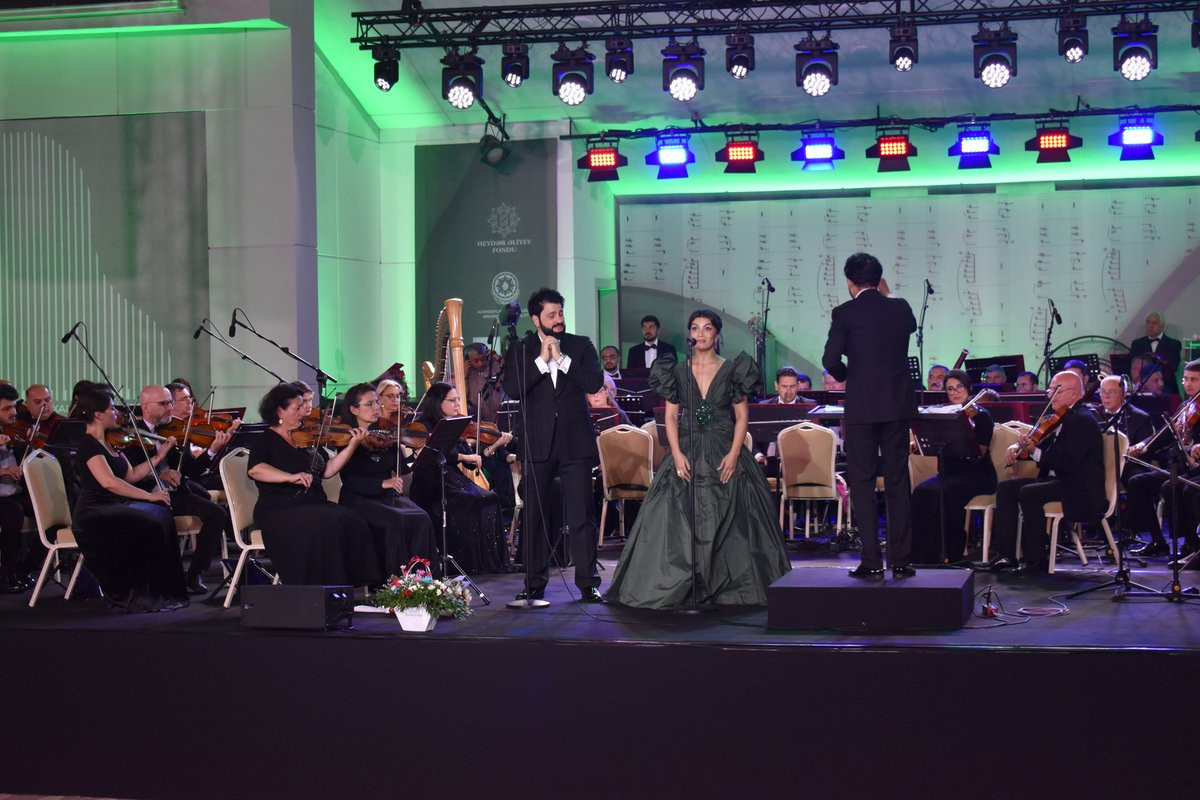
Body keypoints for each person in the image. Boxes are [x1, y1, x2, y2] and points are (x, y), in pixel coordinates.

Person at [607, 309, 791, 608]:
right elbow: (670, 416)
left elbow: (742, 416)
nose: (701, 333)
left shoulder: (733, 369)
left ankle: (729, 581)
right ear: (690, 334)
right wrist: (677, 454)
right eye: (695, 328)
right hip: (688, 447)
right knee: (677, 513)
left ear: (717, 334)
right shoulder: (677, 371)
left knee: (735, 515)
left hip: (723, 446)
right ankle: (681, 581)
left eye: (707, 328)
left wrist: (734, 454)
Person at [502, 287, 605, 603]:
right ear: (536, 319)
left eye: (560, 313)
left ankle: (588, 583)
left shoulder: (580, 345)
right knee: (535, 516)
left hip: (575, 442)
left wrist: (562, 359)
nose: (558, 319)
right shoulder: (521, 349)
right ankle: (534, 583)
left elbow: (594, 382)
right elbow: (513, 388)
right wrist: (542, 361)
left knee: (581, 515)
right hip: (538, 442)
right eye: (551, 315)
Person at [822, 252, 918, 578]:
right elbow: (910, 325)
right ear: (879, 280)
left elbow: (830, 360)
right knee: (897, 481)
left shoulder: (845, 312)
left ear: (850, 283)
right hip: (896, 406)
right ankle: (901, 560)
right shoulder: (900, 308)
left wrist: (850, 374)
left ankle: (871, 561)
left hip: (862, 407)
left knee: (862, 483)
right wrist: (885, 294)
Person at [69, 384, 189, 612]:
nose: (117, 413)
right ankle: (143, 593)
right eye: (112, 409)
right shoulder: (88, 444)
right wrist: (149, 496)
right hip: (94, 510)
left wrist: (159, 456)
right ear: (98, 414)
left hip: (112, 504)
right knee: (151, 519)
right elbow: (109, 482)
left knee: (162, 514)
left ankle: (164, 591)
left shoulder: (109, 441)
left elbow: (130, 475)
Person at [247, 383, 380, 587]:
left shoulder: (307, 438)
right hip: (279, 508)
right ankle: (321, 589)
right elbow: (256, 469)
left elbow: (327, 470)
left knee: (353, 520)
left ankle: (351, 586)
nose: (304, 411)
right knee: (324, 524)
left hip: (314, 503)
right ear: (280, 411)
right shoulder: (265, 440)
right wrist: (290, 477)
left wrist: (352, 445)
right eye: (298, 407)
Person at [989, 371, 1105, 574]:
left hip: (1077, 486)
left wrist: (1034, 451)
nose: (1051, 395)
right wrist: (1020, 447)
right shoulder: (1062, 417)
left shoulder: (1082, 420)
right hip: (1060, 480)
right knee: (1006, 488)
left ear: (1073, 394)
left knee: (1029, 492)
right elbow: (1041, 445)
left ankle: (1036, 560)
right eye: (1051, 390)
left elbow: (1067, 462)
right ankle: (1006, 554)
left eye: (1056, 390)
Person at [124, 385, 231, 595]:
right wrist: (159, 473)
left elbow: (193, 469)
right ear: (145, 407)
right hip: (147, 495)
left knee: (217, 513)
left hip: (174, 492)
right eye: (163, 404)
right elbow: (129, 474)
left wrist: (212, 450)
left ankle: (194, 573)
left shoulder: (174, 430)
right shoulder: (130, 434)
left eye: (170, 403)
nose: (170, 408)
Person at [408, 381, 509, 575]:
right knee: (471, 499)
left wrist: (474, 457)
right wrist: (463, 457)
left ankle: (489, 562)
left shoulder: (456, 423)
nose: (457, 404)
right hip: (431, 481)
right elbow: (433, 455)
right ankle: (467, 562)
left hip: (452, 477)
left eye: (458, 399)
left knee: (490, 497)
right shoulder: (424, 425)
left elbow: (466, 460)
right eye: (452, 400)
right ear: (438, 402)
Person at [338, 383, 437, 576]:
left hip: (387, 497)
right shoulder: (346, 437)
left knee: (422, 517)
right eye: (369, 404)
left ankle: (421, 579)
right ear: (354, 409)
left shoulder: (386, 432)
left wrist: (418, 455)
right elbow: (349, 480)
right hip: (360, 498)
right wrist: (382, 483)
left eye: (376, 402)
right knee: (396, 520)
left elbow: (402, 467)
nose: (376, 407)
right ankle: (396, 582)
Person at [910, 370, 996, 564]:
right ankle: (923, 556)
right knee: (921, 492)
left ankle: (951, 554)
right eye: (950, 389)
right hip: (949, 474)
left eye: (959, 388)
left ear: (968, 388)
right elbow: (935, 444)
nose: (955, 393)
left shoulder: (981, 416)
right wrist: (923, 443)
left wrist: (963, 435)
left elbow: (978, 454)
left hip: (977, 475)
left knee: (945, 492)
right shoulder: (945, 415)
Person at [1125, 361, 1200, 558]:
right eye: (1185, 379)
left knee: (1173, 486)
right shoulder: (1186, 406)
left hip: (1195, 470)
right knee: (1137, 482)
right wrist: (1143, 445)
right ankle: (1158, 540)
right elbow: (1165, 433)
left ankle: (1191, 544)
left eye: (1194, 380)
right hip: (1181, 467)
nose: (1188, 384)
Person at [0, 384, 34, 593]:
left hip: (14, 494)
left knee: (52, 513)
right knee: (13, 513)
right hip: (3, 499)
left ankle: (26, 567)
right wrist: (4, 471)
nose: (13, 412)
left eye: (14, 407)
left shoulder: (12, 432)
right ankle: (6, 573)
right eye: (7, 408)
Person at [1130, 311, 1182, 395]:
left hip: (1166, 389)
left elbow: (1172, 367)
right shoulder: (1137, 344)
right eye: (1148, 322)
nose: (1150, 326)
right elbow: (1133, 366)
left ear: (1162, 326)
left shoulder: (1173, 344)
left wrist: (1155, 380)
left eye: (1154, 323)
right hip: (1142, 389)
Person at [465, 342, 506, 423]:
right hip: (479, 422)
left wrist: (499, 358)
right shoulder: (467, 372)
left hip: (501, 419)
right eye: (476, 361)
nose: (480, 364)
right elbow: (463, 397)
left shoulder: (496, 365)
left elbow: (513, 371)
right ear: (468, 360)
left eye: (483, 359)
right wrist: (464, 376)